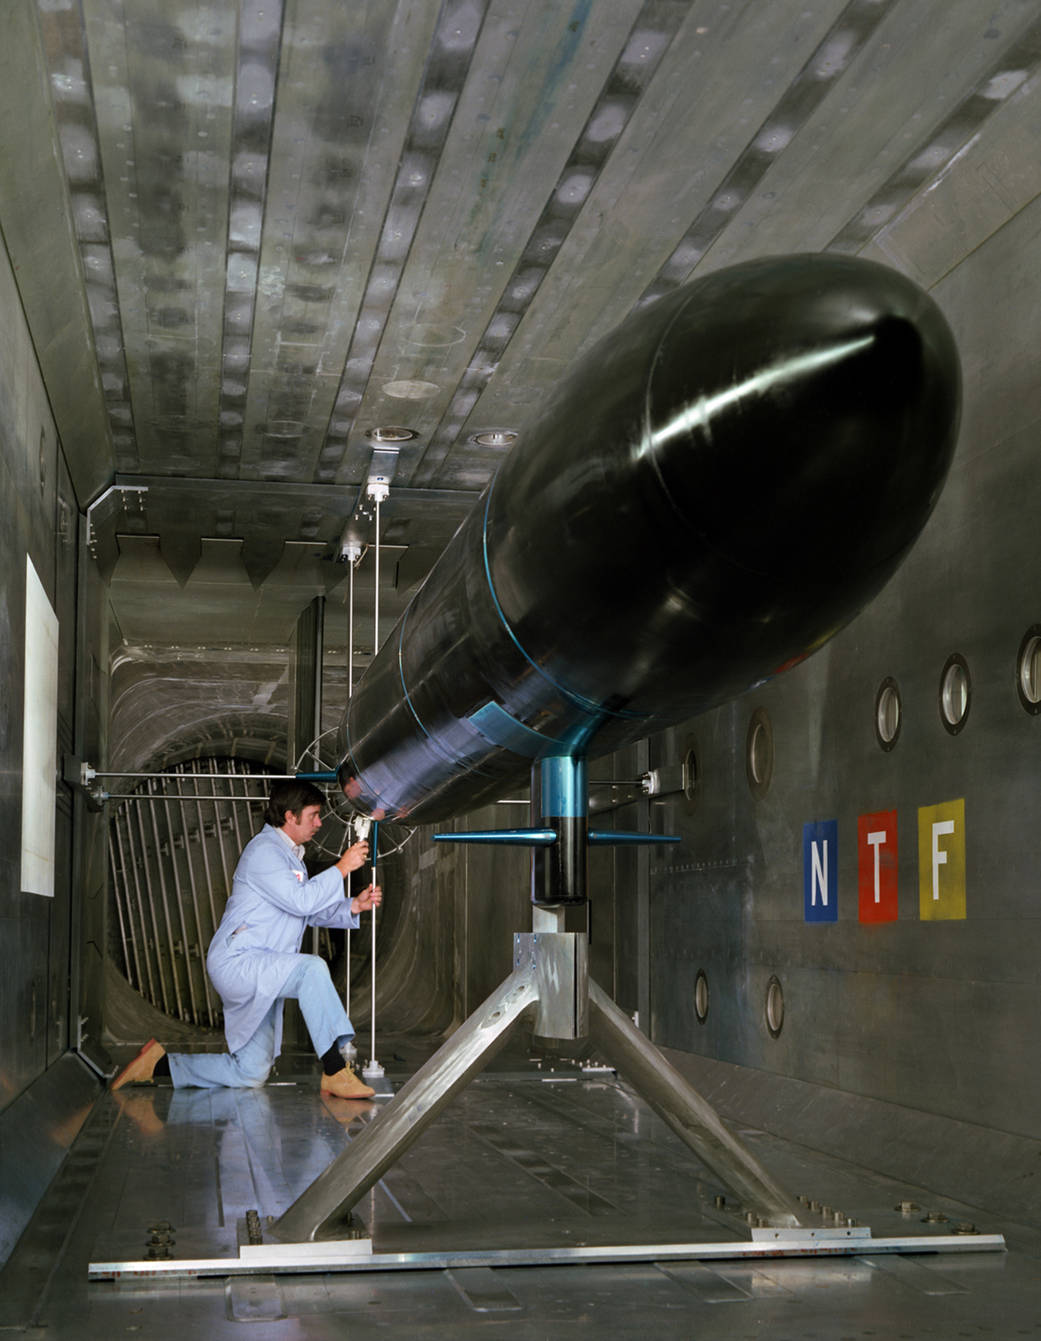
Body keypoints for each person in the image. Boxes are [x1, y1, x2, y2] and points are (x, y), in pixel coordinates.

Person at [112, 780, 381, 1099]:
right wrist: (342, 868)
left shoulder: (291, 855)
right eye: (314, 815)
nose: (319, 823)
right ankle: (335, 1069)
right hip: (240, 962)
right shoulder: (264, 852)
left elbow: (302, 910)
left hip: (262, 965)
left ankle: (158, 1066)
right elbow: (301, 902)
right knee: (311, 969)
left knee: (250, 1071)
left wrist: (352, 905)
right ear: (290, 816)